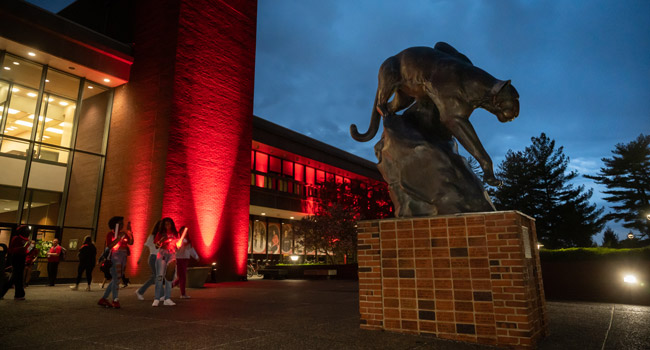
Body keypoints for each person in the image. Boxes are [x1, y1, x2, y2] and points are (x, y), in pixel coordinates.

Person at [97, 216, 133, 309]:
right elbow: (109, 246)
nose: (122, 225)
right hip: (115, 256)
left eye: (122, 223)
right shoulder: (110, 234)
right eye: (121, 223)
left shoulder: (123, 233)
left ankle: (104, 298)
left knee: (117, 278)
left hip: (123, 256)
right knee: (116, 278)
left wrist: (130, 232)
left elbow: (131, 242)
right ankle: (115, 299)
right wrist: (118, 239)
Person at [0, 225, 32, 300]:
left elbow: (26, 251)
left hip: (22, 258)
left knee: (17, 277)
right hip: (16, 258)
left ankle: (18, 294)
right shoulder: (16, 238)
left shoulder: (26, 240)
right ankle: (17, 294)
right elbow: (11, 249)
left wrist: (30, 249)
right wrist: (20, 249)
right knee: (16, 276)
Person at [153, 217, 179, 306]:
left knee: (169, 276)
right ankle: (156, 298)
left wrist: (177, 244)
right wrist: (161, 241)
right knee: (160, 276)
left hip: (172, 254)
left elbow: (178, 245)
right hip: (162, 254)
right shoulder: (160, 234)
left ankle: (167, 298)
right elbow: (156, 246)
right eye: (166, 224)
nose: (168, 225)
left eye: (169, 223)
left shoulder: (175, 233)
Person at [135, 220, 161, 301]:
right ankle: (141, 291)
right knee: (157, 276)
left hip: (159, 258)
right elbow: (145, 247)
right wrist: (140, 258)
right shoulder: (152, 237)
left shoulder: (162, 237)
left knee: (156, 277)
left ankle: (141, 291)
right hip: (153, 258)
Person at [172, 231, 199, 299]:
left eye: (186, 232)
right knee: (182, 277)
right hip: (179, 259)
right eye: (184, 232)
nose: (185, 233)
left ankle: (170, 286)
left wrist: (196, 256)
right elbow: (177, 247)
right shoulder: (178, 241)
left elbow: (191, 249)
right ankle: (182, 294)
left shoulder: (187, 241)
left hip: (185, 259)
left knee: (181, 277)